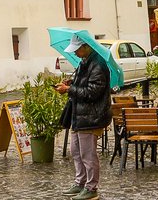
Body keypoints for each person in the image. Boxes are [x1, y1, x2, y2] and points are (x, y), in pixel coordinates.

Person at [55, 35, 112, 200]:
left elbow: (92, 92)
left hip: (92, 116)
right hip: (79, 115)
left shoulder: (98, 65)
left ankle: (91, 187)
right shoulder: (85, 62)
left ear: (86, 46)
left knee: (88, 154)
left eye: (77, 49)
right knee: (76, 151)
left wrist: (69, 89)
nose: (76, 53)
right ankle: (80, 183)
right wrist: (72, 82)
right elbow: (84, 84)